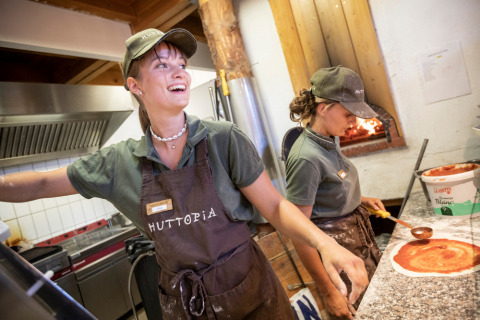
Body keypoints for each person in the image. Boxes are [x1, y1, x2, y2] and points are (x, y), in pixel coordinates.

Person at [0, 30, 368, 319]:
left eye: (181, 65)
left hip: (255, 297)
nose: (178, 72)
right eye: (162, 65)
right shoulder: (118, 163)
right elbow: (45, 181)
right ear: (135, 85)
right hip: (187, 306)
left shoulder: (224, 138)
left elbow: (274, 206)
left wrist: (325, 243)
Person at [286, 66, 384, 319]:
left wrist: (358, 200)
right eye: (349, 114)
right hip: (336, 252)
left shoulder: (329, 137)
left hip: (357, 242)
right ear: (323, 108)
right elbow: (299, 231)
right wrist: (329, 292)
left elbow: (325, 189)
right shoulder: (305, 158)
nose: (355, 121)